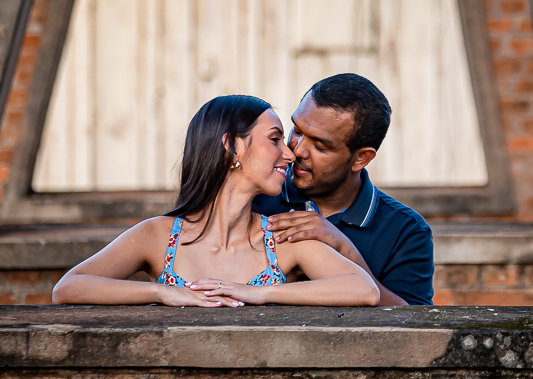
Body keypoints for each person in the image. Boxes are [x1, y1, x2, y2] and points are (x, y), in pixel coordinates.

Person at [52, 94, 379, 307]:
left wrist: (259, 293)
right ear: (232, 146)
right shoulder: (159, 235)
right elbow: (69, 288)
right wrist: (161, 292)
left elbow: (364, 290)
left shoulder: (281, 237)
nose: (290, 153)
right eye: (275, 140)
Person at [254, 74, 434, 305]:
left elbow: (416, 328)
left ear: (361, 158)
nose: (297, 151)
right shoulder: (257, 197)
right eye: (297, 131)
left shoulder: (406, 230)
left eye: (320, 146)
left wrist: (344, 249)